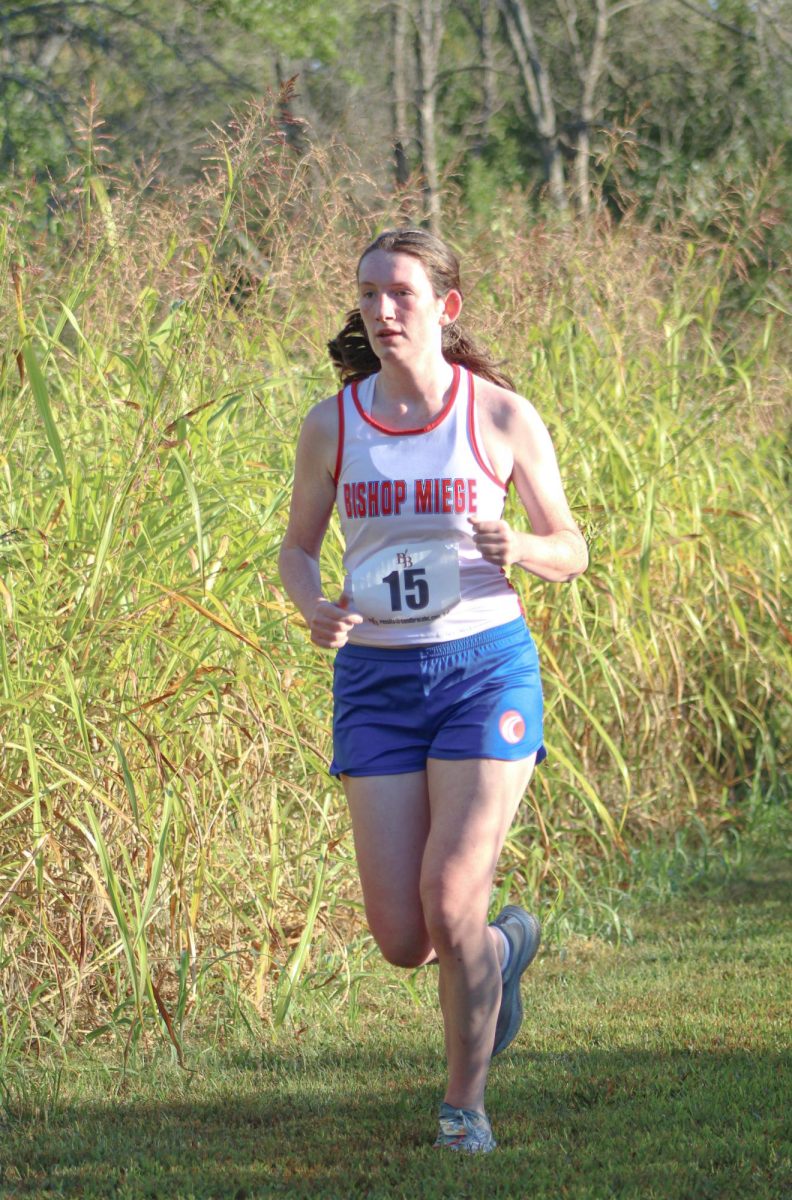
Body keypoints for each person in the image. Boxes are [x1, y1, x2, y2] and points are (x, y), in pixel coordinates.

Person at [278, 227, 588, 1152]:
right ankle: (500, 953)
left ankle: (464, 1106)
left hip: (482, 668)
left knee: (452, 899)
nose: (381, 311)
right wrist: (313, 608)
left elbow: (570, 546)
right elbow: (296, 549)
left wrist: (520, 548)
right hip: (374, 677)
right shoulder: (334, 423)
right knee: (404, 938)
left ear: (445, 308)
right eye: (369, 293)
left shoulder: (497, 416)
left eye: (402, 294)